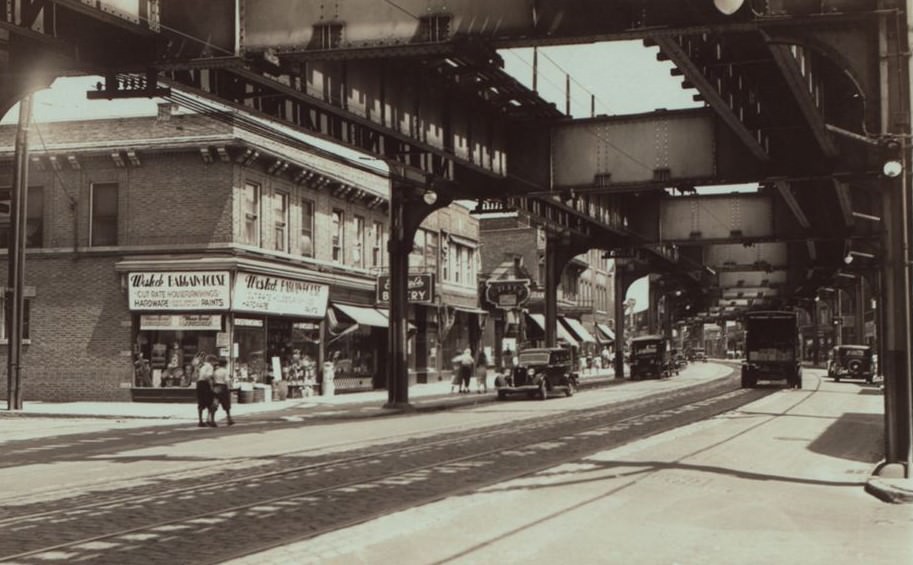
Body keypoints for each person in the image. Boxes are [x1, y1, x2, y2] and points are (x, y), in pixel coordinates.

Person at [209, 358, 234, 427]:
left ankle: (212, 420)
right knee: (226, 403)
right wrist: (230, 387)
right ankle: (229, 419)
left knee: (215, 403)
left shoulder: (216, 371)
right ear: (225, 364)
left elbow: (212, 379)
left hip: (216, 386)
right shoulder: (225, 371)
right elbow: (226, 380)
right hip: (223, 387)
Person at [195, 354, 216, 427]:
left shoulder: (201, 366)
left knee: (200, 403)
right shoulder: (210, 366)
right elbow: (208, 377)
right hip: (205, 385)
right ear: (211, 361)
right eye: (214, 362)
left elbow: (196, 376)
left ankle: (200, 421)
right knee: (210, 403)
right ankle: (210, 420)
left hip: (199, 384)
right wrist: (211, 387)